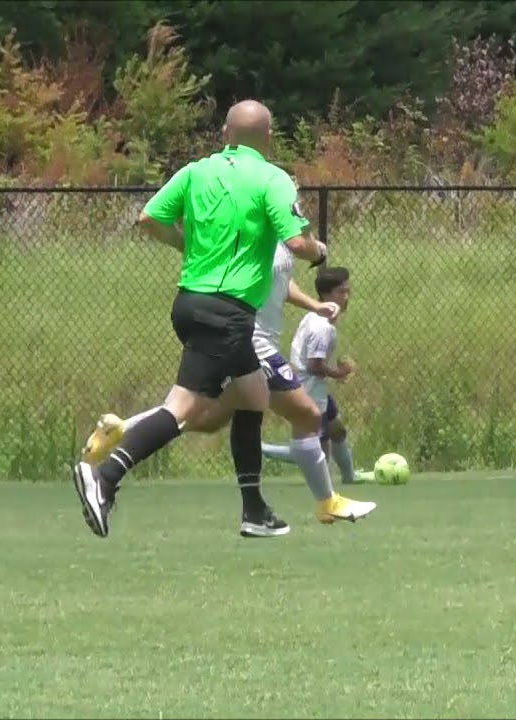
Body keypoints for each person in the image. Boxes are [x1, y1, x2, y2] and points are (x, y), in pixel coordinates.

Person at [71, 99, 328, 538]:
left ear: (225, 134)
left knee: (252, 396)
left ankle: (255, 511)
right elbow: (299, 244)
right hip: (226, 313)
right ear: (268, 139)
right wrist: (320, 250)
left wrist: (185, 247)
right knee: (183, 408)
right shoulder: (272, 178)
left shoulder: (196, 171)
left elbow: (149, 218)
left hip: (191, 303)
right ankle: (104, 476)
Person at [81, 241, 377, 535]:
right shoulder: (268, 222)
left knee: (207, 418)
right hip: (253, 341)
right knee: (308, 415)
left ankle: (121, 432)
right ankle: (326, 503)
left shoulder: (278, 229)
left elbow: (281, 281)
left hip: (246, 338)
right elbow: (303, 250)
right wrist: (316, 250)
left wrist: (314, 305)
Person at [261, 267, 361, 482]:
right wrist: (338, 373)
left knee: (338, 431)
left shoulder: (315, 316)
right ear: (326, 296)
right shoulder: (321, 327)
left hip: (316, 388)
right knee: (318, 452)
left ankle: (350, 477)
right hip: (310, 390)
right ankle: (262, 450)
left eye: (347, 292)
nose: (346, 298)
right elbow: (314, 365)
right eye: (341, 292)